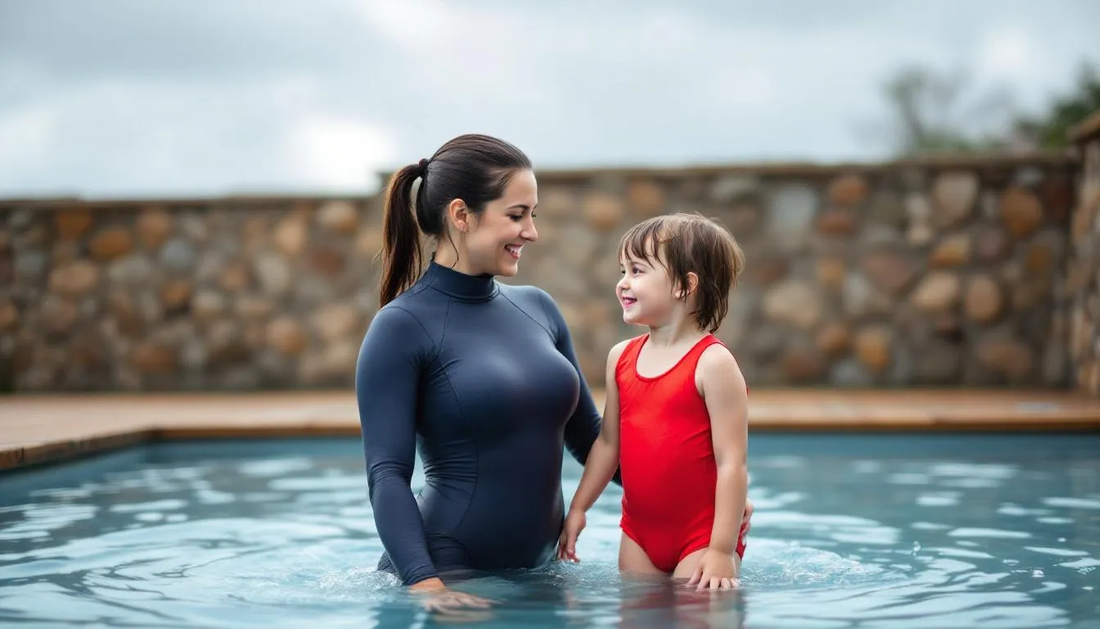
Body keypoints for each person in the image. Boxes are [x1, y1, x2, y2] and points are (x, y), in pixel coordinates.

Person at [355, 134, 753, 613]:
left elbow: (591, 439)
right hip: (455, 577)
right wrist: (426, 586)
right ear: (461, 216)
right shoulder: (400, 327)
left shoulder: (538, 308)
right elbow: (387, 475)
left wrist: (703, 505)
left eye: (533, 215)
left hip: (547, 578)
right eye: (517, 215)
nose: (532, 232)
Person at [557, 212, 751, 591]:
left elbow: (732, 463)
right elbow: (608, 444)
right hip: (639, 535)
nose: (623, 283)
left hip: (703, 538)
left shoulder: (712, 363)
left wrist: (721, 548)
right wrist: (579, 509)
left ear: (684, 285)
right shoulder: (621, 357)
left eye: (637, 271)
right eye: (622, 270)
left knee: (700, 613)